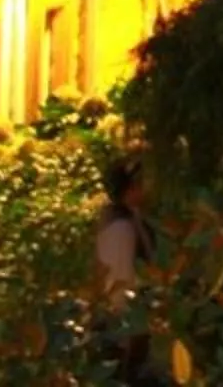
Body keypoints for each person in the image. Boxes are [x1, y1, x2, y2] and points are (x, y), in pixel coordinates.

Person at [93, 160, 154, 383]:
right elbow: (120, 278)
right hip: (127, 322)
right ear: (130, 188)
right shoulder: (121, 227)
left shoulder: (128, 219)